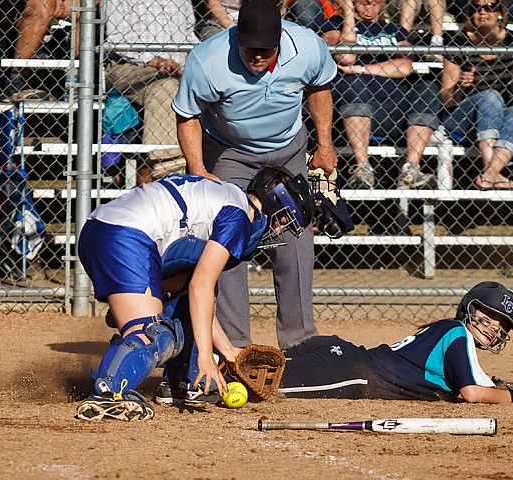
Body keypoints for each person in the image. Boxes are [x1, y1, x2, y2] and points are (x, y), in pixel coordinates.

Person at [75, 168, 316, 420]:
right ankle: (110, 393)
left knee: (184, 298)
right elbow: (200, 286)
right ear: (272, 200)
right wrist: (205, 356)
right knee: (154, 333)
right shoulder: (240, 216)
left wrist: (229, 352)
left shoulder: (228, 197)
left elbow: (195, 292)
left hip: (107, 230)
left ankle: (185, 382)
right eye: (283, 218)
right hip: (125, 236)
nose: (278, 228)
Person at [172, 0, 338, 350]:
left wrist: (325, 145)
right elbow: (187, 114)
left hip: (289, 148)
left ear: (282, 36)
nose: (258, 56)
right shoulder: (209, 59)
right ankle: (235, 345)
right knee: (229, 239)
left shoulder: (307, 46)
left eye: (267, 48)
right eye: (250, 48)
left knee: (296, 238)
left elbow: (320, 88)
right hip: (229, 151)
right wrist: (199, 170)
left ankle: (300, 343)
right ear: (237, 37)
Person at [279, 281, 513, 403]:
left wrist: (499, 385)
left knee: (260, 366)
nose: (493, 327)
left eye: (501, 324)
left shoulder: (452, 334)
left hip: (342, 354)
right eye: (489, 315)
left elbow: (478, 380)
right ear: (469, 309)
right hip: (352, 373)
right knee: (265, 383)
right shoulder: (458, 333)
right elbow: (472, 393)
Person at [320, 0, 441, 189]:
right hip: (348, 112)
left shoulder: (395, 29)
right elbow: (346, 57)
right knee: (354, 83)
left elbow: (404, 66)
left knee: (427, 88)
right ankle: (363, 168)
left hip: (394, 113)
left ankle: (411, 170)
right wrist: (349, 14)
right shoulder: (333, 25)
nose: (369, 2)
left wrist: (361, 68)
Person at [439, 0, 513, 190]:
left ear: (501, 12)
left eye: (490, 6)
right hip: (462, 117)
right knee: (491, 96)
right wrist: (460, 86)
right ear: (470, 12)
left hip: (499, 119)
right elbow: (446, 100)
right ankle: (490, 171)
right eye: (476, 7)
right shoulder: (457, 41)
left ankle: (490, 174)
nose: (483, 12)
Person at [105, 0, 199, 185]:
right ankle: (168, 172)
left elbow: (190, 36)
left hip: (177, 68)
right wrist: (154, 60)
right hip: (130, 65)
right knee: (165, 87)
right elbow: (116, 39)